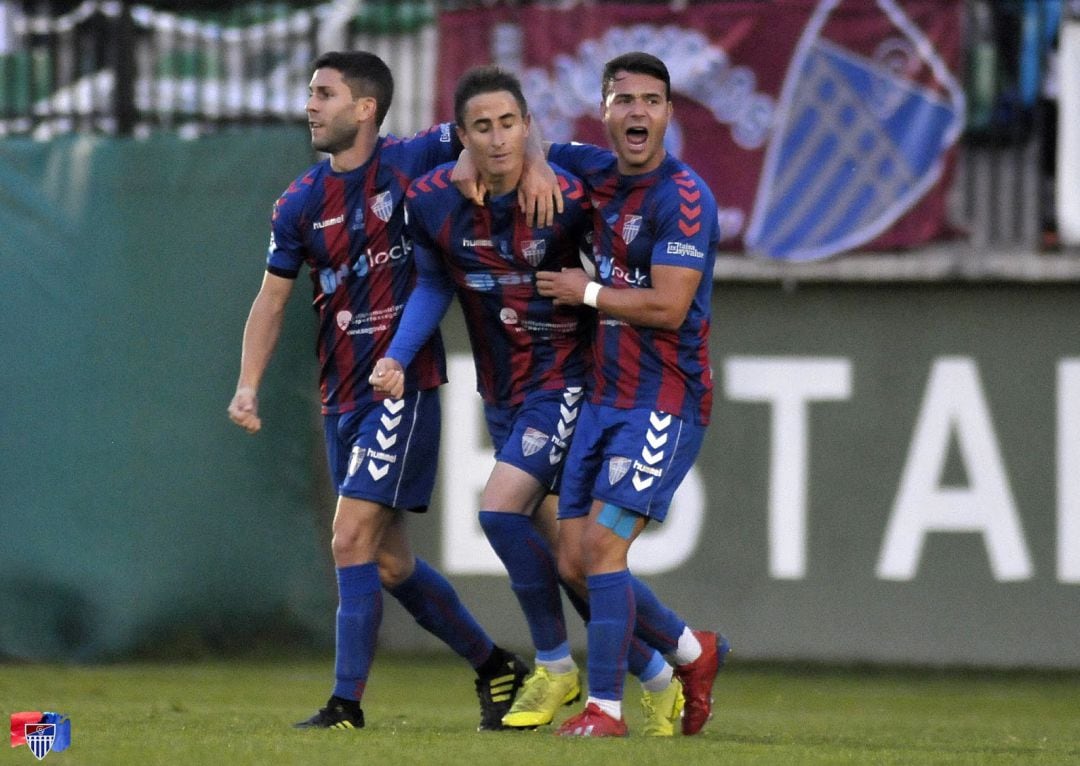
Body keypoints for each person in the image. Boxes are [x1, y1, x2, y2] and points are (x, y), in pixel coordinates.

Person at [227, 50, 555, 732]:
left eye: (324, 93)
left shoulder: (411, 158)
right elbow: (272, 297)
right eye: (310, 92)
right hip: (341, 393)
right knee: (389, 560)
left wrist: (541, 164)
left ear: (366, 107)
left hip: (402, 386)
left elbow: (498, 131)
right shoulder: (299, 201)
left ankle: (346, 705)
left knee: (349, 540)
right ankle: (496, 665)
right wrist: (248, 386)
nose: (310, 106)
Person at [372, 65, 688, 737]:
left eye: (510, 124)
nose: (497, 139)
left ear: (528, 127)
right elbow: (433, 286)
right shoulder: (432, 201)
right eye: (482, 127)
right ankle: (669, 669)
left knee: (498, 509)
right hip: (503, 393)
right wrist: (396, 355)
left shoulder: (567, 196)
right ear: (462, 136)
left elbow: (627, 228)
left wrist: (545, 166)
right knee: (571, 560)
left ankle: (555, 664)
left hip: (567, 381)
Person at [531, 52, 730, 737]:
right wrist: (493, 163)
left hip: (664, 400)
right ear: (606, 112)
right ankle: (689, 651)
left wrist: (583, 291)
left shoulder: (686, 197)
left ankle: (604, 711)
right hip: (604, 396)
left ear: (669, 112)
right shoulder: (591, 169)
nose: (638, 111)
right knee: (571, 558)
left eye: (651, 100)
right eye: (624, 100)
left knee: (606, 551)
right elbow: (521, 143)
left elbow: (671, 307)